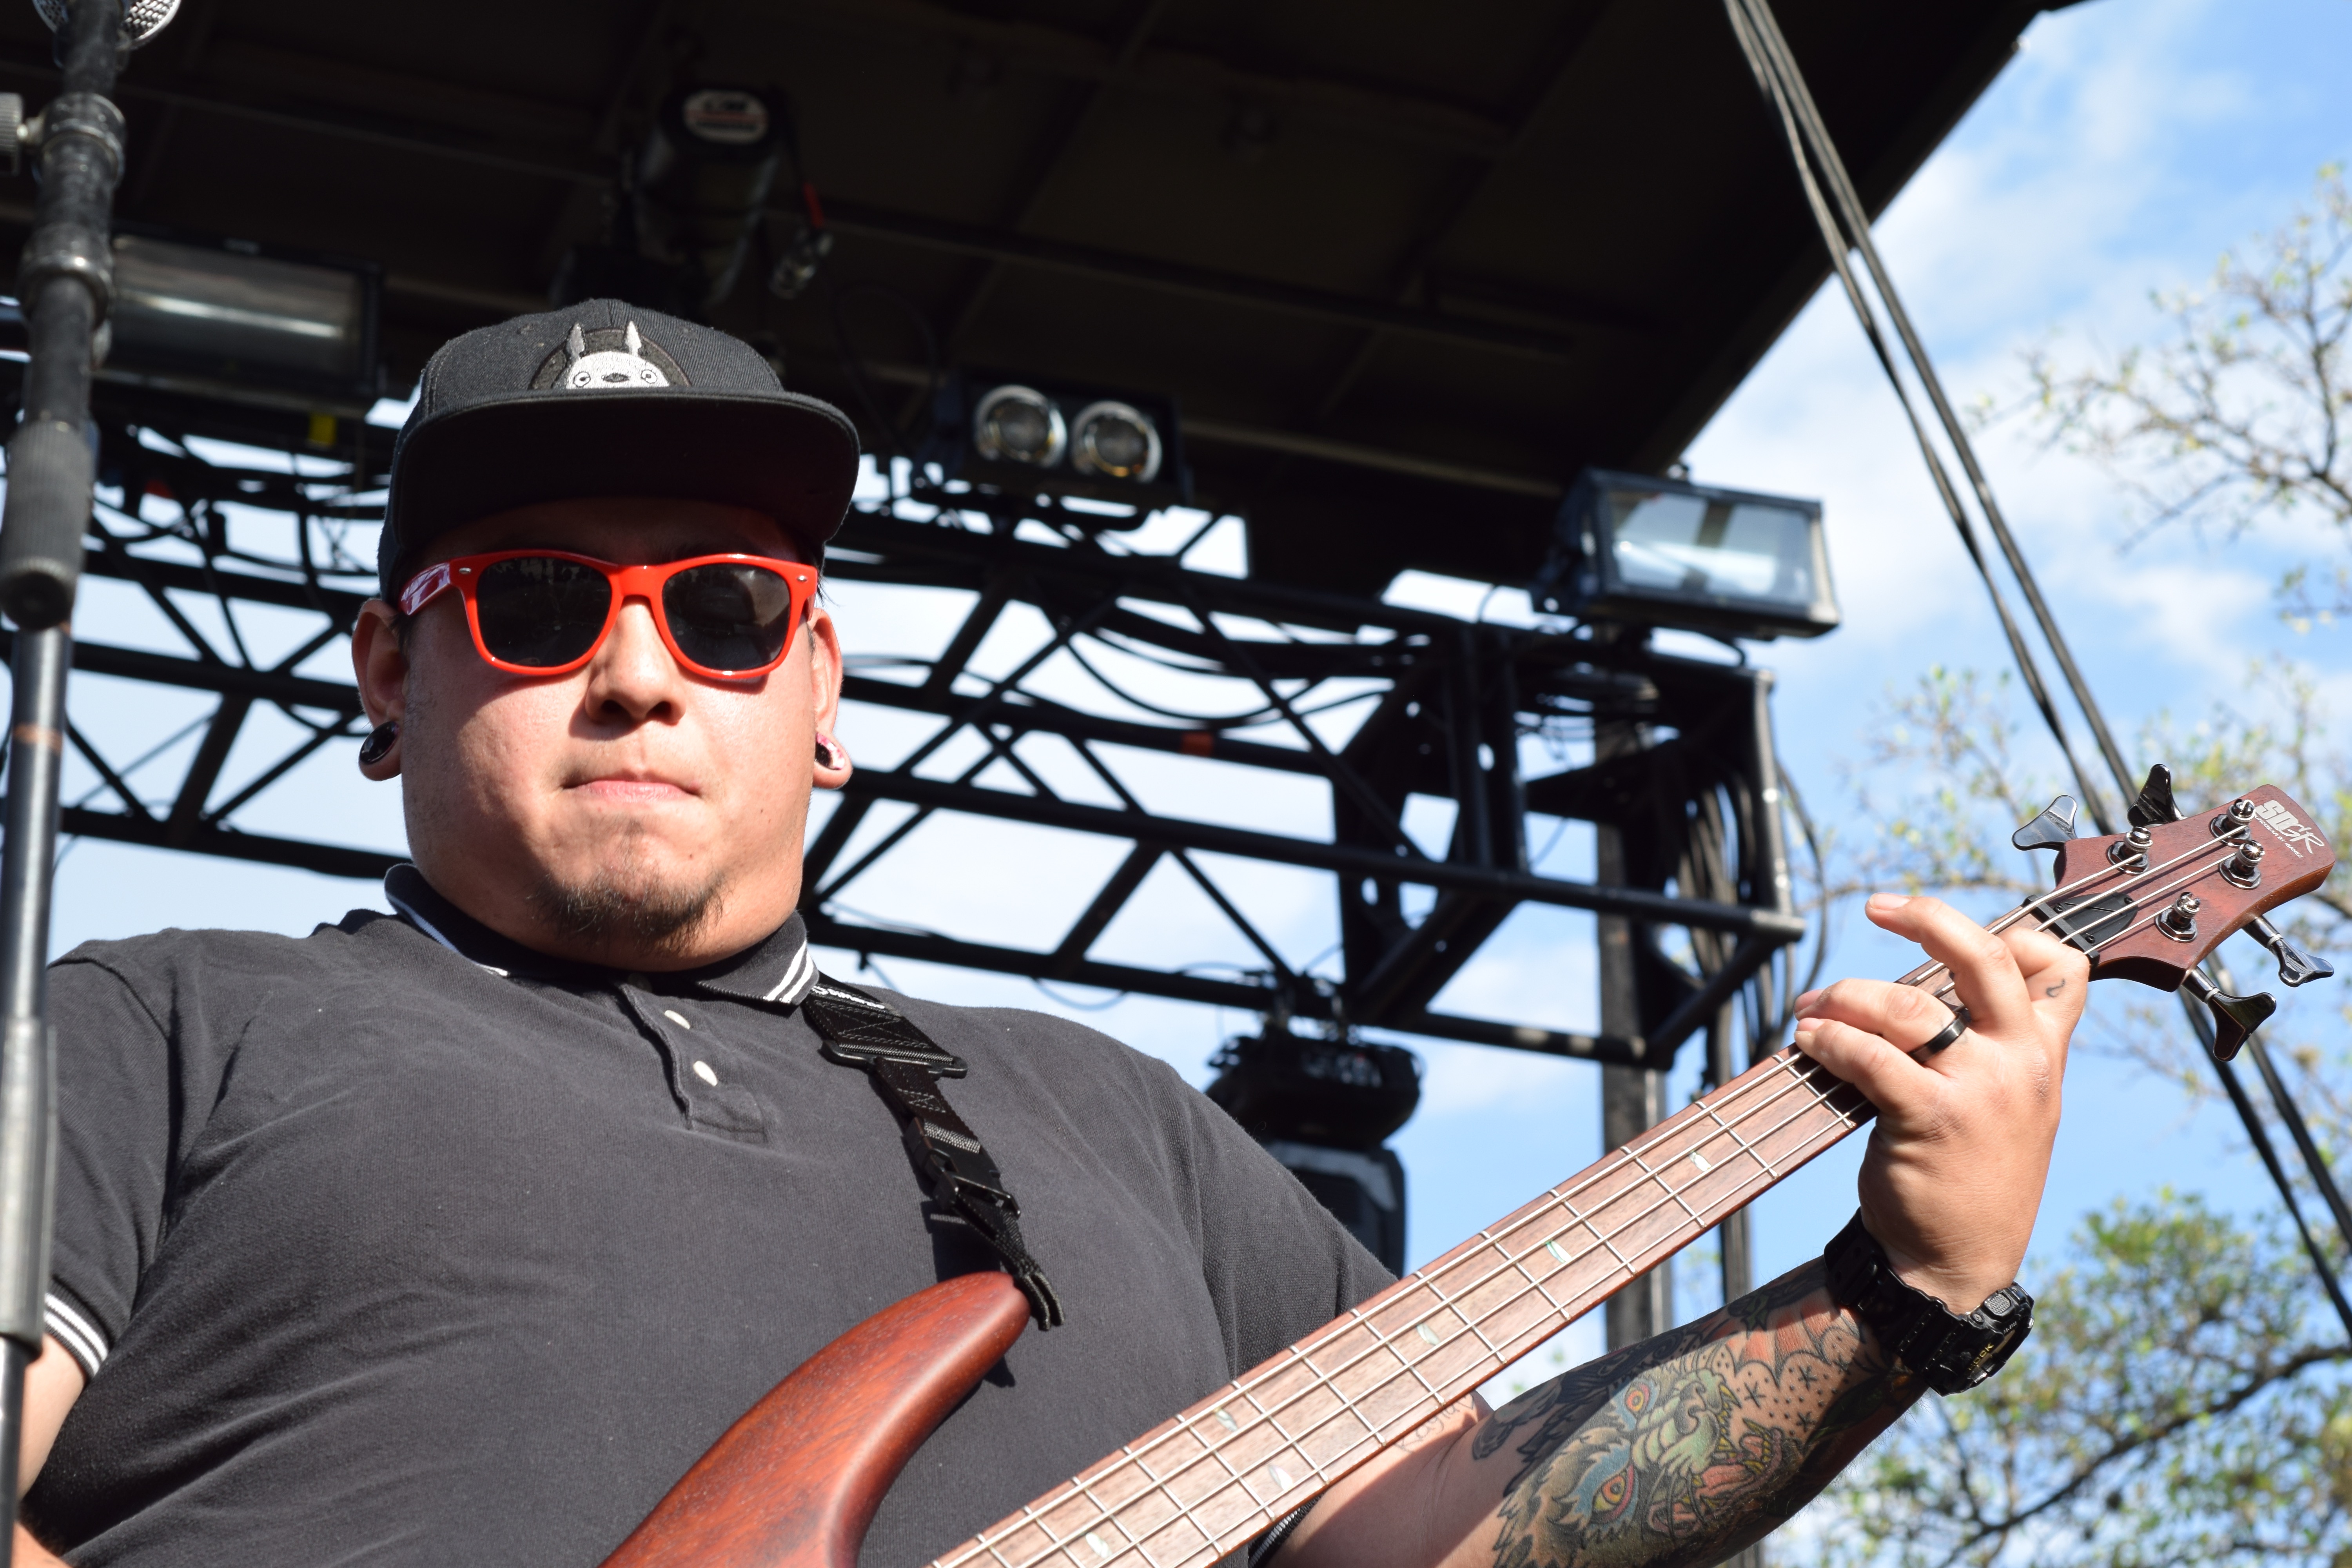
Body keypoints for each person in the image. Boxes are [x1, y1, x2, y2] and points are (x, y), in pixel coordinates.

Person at [9, 302, 2086, 1568]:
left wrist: (1901, 1297)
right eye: (538, 603)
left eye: (723, 611)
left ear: (825, 690)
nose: (638, 675)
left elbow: (1456, 1531)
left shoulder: (1115, 1126)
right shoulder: (160, 1028)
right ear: (387, 669)